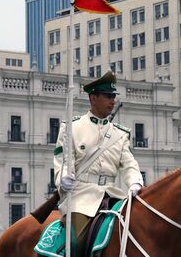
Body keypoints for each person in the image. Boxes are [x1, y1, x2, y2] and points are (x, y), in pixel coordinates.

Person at [54, 70, 144, 257]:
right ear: (93, 98)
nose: (112, 101)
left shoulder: (120, 134)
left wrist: (135, 183)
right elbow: (63, 161)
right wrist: (63, 178)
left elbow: (129, 164)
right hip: (81, 195)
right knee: (76, 242)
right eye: (107, 96)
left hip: (113, 195)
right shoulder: (72, 127)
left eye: (113, 96)